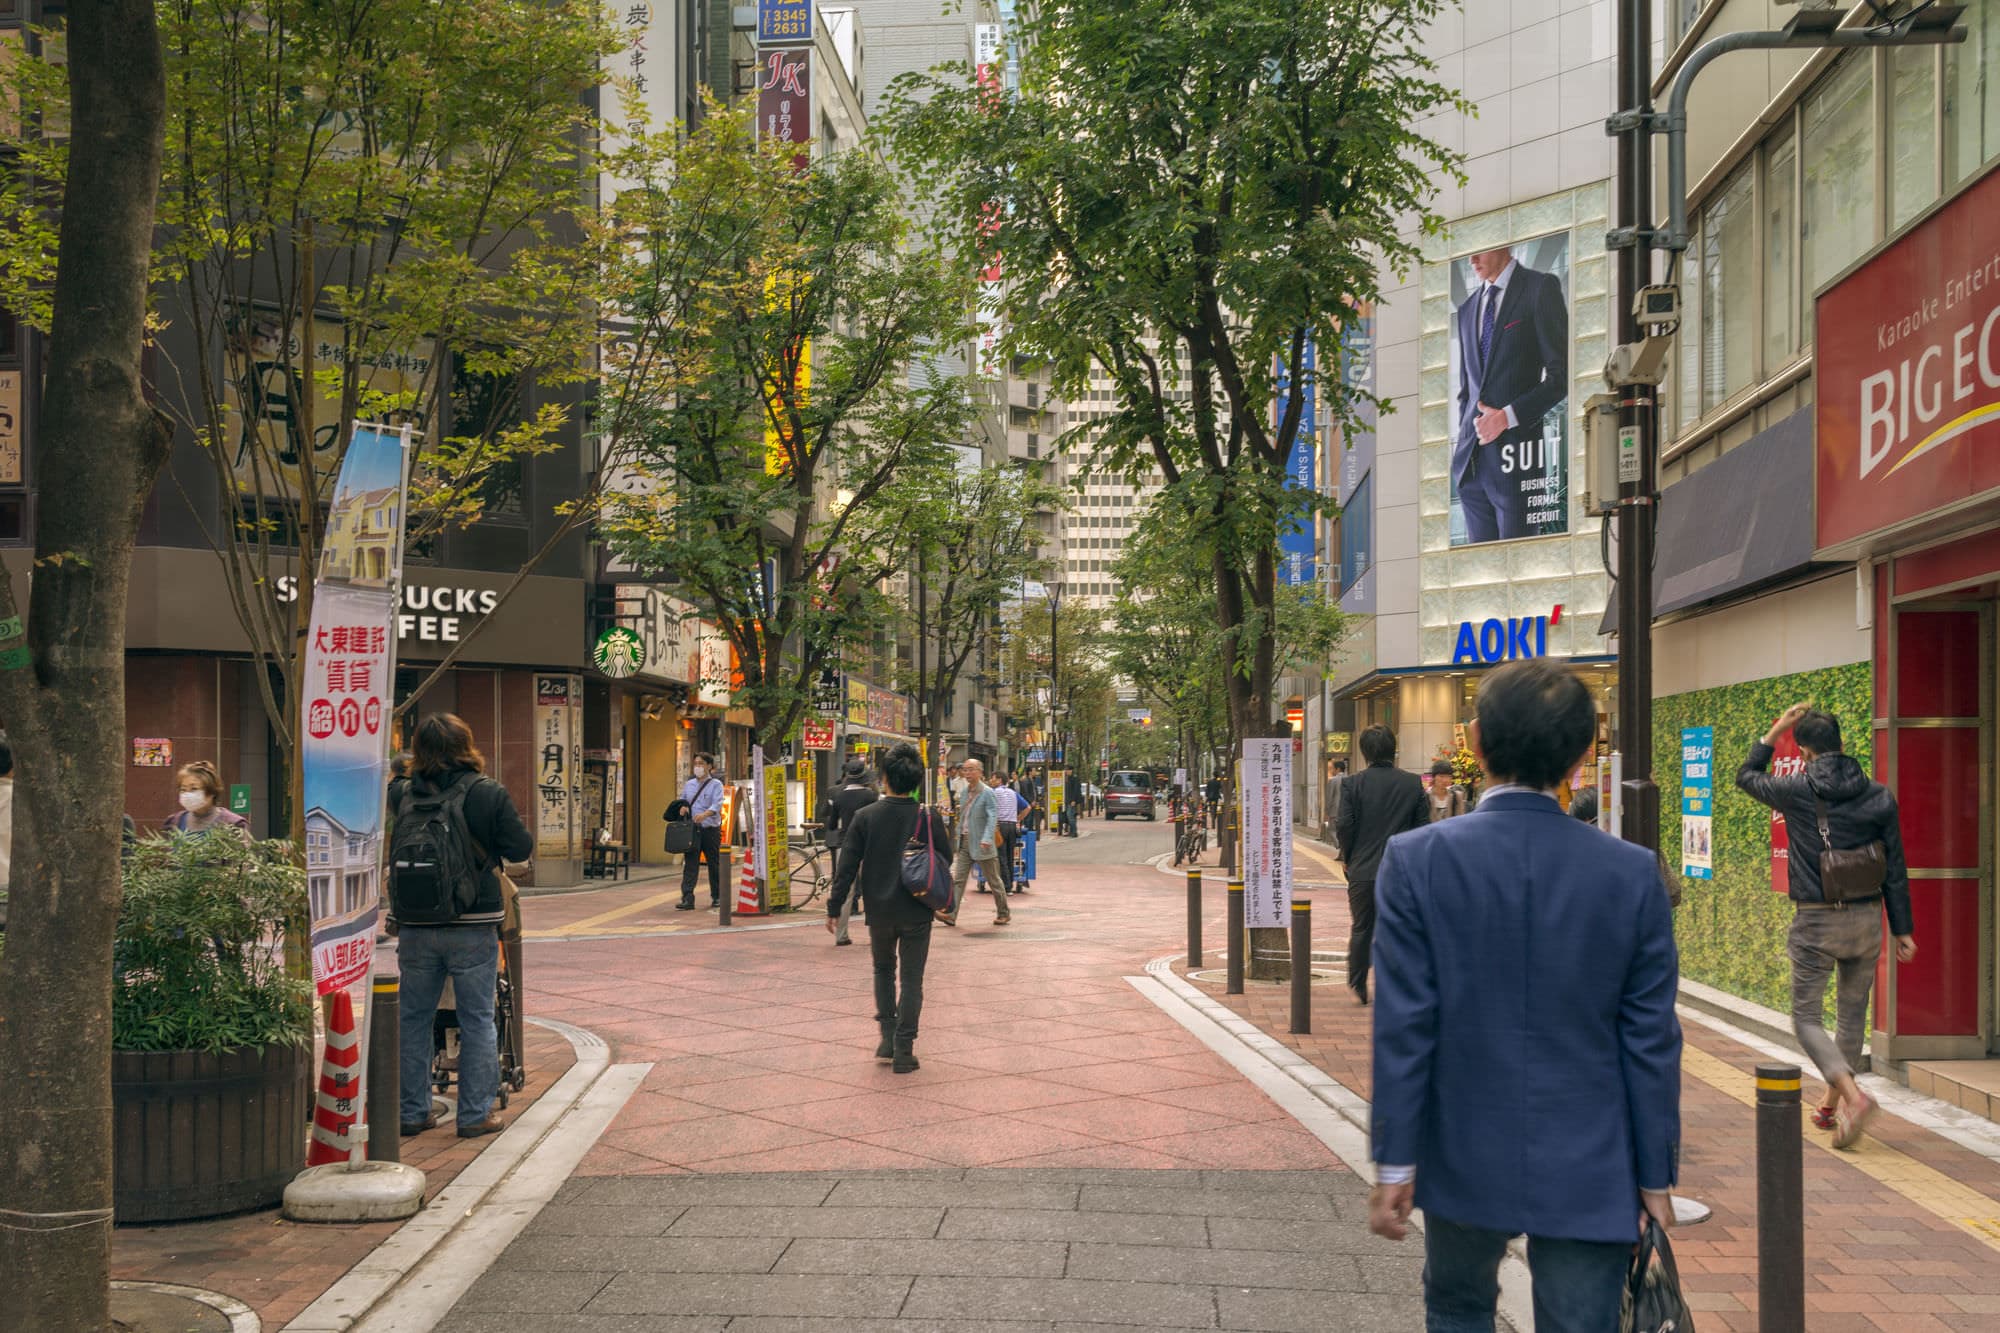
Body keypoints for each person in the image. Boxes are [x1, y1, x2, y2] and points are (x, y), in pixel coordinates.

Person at [1369, 659, 1682, 1332]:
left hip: (1461, 1141)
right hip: (1593, 1156)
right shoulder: (1631, 874)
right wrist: (1655, 1175)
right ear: (1581, 754)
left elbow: (1405, 1024)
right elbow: (1651, 1037)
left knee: (1456, 1307)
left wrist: (1396, 1160)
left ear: (1476, 742)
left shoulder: (1416, 861)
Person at [1737, 704, 1914, 1149]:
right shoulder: (1878, 794)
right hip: (1867, 919)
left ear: (1804, 750)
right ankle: (1833, 1104)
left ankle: (1853, 1097)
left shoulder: (1797, 789)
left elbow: (1746, 775)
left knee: (1807, 1019)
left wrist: (1776, 727)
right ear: (1841, 744)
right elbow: (1895, 866)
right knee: (1853, 1016)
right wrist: (1903, 928)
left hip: (1817, 919)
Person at [390, 713, 533, 1140]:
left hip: (415, 923)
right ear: (466, 744)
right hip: (473, 924)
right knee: (477, 1018)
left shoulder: (401, 793)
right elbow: (520, 846)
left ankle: (413, 1112)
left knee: (413, 1018)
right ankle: (474, 1115)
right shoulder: (486, 793)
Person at [825, 742, 951, 1073]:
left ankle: (887, 1037)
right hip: (917, 909)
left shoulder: (867, 817)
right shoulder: (928, 816)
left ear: (883, 778)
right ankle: (904, 1050)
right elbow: (945, 859)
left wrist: (834, 905)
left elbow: (847, 865)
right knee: (912, 979)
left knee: (883, 970)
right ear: (916, 781)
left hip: (878, 910)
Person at [1453, 247, 1568, 544]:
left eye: (1478, 251)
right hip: (1472, 466)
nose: (1472, 260)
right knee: (1481, 579)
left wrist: (1507, 418)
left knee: (1517, 569)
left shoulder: (1539, 288)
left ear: (1503, 245)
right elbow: (1467, 392)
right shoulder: (1466, 310)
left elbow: (1560, 377)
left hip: (1517, 462)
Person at [1335, 726, 1429, 1007]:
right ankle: (1396, 985)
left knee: (1362, 926)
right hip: (1401, 871)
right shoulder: (1412, 783)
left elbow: (1344, 825)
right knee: (1400, 928)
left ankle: (1358, 980)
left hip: (1362, 870)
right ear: (1393, 749)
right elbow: (1423, 828)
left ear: (1364, 753)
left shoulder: (1353, 784)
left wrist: (1349, 857)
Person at [818, 758, 878, 946]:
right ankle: (875, 934)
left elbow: (832, 823)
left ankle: (841, 934)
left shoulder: (839, 796)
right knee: (871, 889)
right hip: (868, 845)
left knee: (845, 888)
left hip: (846, 844)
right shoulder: (870, 795)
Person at [947, 758, 1008, 925]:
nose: (967, 773)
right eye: (965, 770)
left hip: (982, 842)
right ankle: (951, 914)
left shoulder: (988, 792)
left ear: (981, 772)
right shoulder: (965, 792)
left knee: (993, 880)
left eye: (971, 769)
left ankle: (1003, 912)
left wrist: (987, 838)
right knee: (959, 879)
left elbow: (992, 817)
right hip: (965, 841)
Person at [676, 752, 726, 911]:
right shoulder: (689, 784)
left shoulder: (716, 784)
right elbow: (683, 801)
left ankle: (717, 896)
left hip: (710, 829)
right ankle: (687, 898)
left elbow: (717, 804)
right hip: (693, 830)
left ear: (710, 766)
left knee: (714, 863)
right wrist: (682, 808)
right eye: (695, 763)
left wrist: (705, 815)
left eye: (701, 763)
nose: (698, 766)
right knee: (690, 863)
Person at [164, 760, 250, 837]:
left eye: (194, 789)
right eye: (183, 789)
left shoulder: (233, 823)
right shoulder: (174, 822)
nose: (187, 794)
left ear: (211, 791)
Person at [991, 770, 1022, 896]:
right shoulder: (1013, 793)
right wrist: (1017, 819)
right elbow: (1028, 807)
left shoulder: (994, 792)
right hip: (1012, 826)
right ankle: (1010, 885)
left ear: (999, 780)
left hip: (1001, 826)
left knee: (1001, 856)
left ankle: (1006, 886)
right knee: (1010, 856)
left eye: (993, 778)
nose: (991, 781)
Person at [1323, 759, 1348, 853]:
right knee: (1344, 832)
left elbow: (1329, 797)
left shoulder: (1333, 780)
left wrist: (1327, 812)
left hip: (1335, 811)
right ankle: (1342, 853)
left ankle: (1341, 846)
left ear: (1337, 769)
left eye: (1333, 769)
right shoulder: (1350, 778)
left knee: (1331, 829)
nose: (1331, 771)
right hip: (1347, 811)